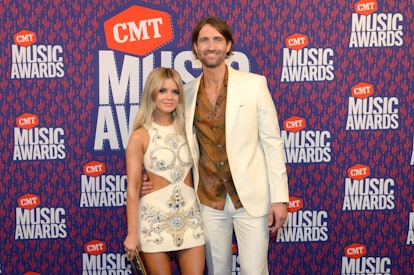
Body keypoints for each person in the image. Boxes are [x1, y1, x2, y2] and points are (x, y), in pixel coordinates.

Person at [142, 16, 289, 275]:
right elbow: (169, 139)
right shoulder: (184, 93)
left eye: (217, 39)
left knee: (255, 271)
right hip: (208, 202)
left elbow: (272, 143)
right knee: (217, 271)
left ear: (228, 45)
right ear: (195, 48)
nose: (211, 46)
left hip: (251, 200)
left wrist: (280, 199)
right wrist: (153, 177)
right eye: (204, 40)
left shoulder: (254, 84)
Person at [123, 67, 205, 275]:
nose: (169, 97)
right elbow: (132, 189)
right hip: (154, 220)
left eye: (175, 91)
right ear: (152, 94)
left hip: (190, 218)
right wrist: (132, 234)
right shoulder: (140, 136)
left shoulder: (189, 129)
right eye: (162, 91)